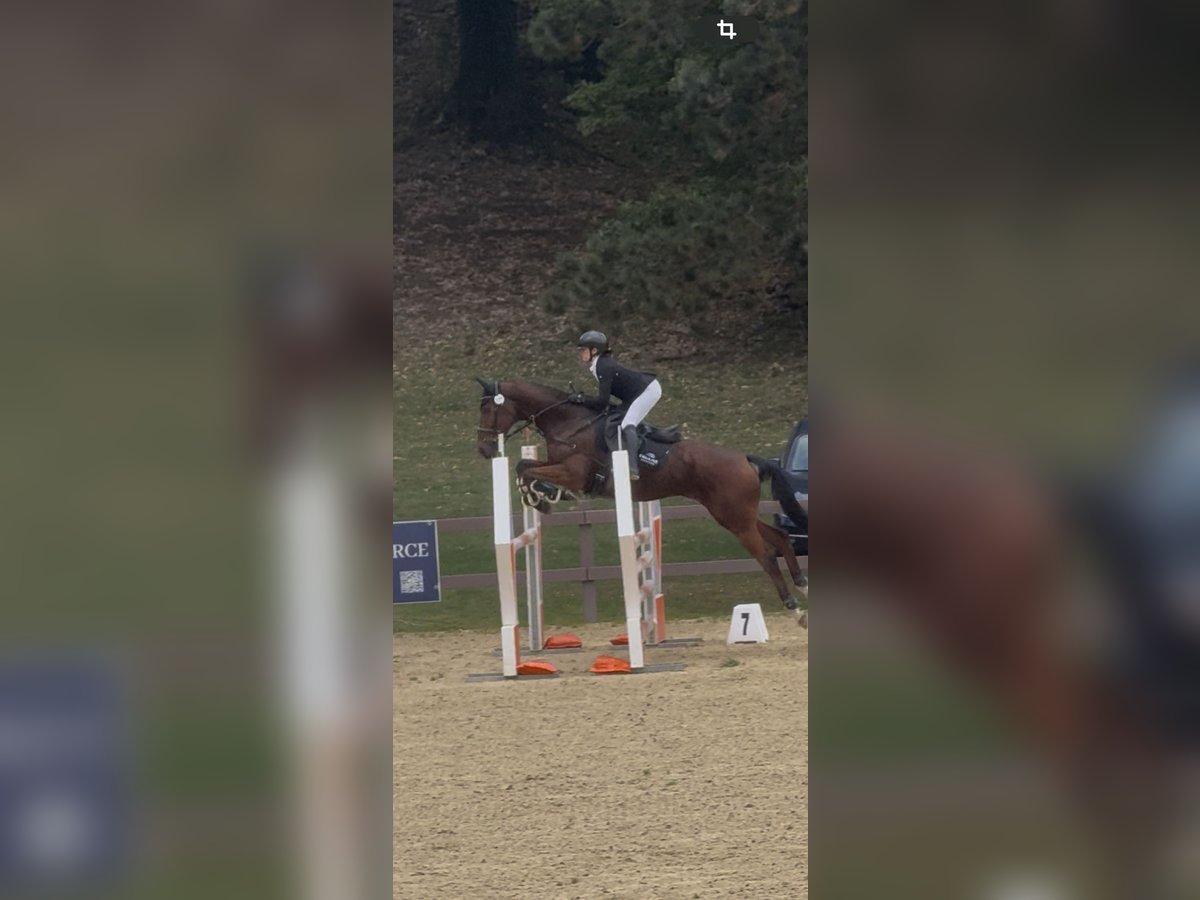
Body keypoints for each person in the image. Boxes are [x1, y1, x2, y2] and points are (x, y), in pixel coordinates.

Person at [571, 330, 661, 479]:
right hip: (633, 394)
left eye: (584, 350)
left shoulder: (603, 366)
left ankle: (632, 467)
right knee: (614, 420)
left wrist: (581, 399)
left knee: (627, 423)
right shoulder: (599, 364)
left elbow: (602, 402)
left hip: (647, 390)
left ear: (594, 350)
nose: (581, 353)